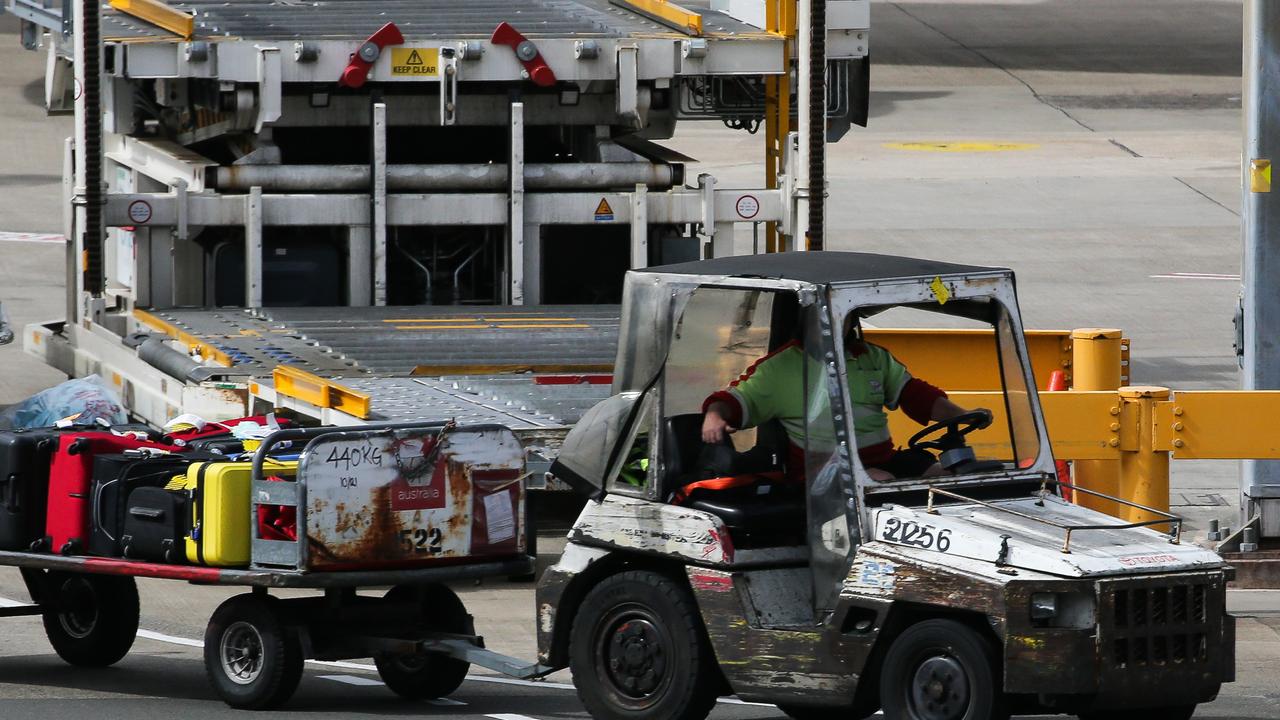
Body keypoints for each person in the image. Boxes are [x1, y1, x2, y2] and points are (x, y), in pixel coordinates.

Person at [700, 315, 989, 481]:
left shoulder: (872, 357)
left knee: (947, 480)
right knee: (882, 482)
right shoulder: (781, 367)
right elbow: (733, 400)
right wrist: (715, 414)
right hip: (822, 471)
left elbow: (918, 397)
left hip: (882, 459)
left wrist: (964, 415)